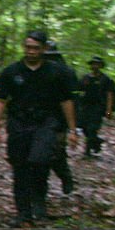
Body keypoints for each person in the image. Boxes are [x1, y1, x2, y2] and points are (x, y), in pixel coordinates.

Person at [0, 31, 79, 226]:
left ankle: (39, 198)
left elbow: (67, 101)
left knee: (40, 160)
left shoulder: (57, 73)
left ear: (44, 49)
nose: (31, 52)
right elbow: (0, 100)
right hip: (18, 123)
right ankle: (23, 213)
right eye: (28, 47)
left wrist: (73, 130)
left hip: (46, 123)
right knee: (20, 167)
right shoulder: (11, 72)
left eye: (36, 48)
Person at [44, 41, 78, 194]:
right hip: (36, 119)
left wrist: (73, 127)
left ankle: (65, 176)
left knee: (56, 153)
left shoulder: (66, 72)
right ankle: (39, 193)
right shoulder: (34, 70)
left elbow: (72, 99)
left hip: (59, 119)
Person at [77, 56, 115, 157]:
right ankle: (96, 142)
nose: (95, 66)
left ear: (101, 66)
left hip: (98, 107)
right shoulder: (85, 78)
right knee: (84, 128)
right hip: (85, 107)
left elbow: (109, 94)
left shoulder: (105, 79)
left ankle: (88, 151)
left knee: (92, 128)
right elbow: (78, 90)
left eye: (97, 64)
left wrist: (109, 110)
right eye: (93, 64)